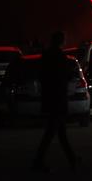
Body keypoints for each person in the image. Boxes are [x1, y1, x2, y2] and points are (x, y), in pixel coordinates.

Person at [32, 31, 79, 173]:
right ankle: (38, 161)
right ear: (61, 41)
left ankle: (72, 158)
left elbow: (42, 75)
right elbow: (66, 75)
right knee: (53, 131)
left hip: (51, 97)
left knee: (59, 131)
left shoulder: (46, 55)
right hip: (58, 98)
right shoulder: (60, 56)